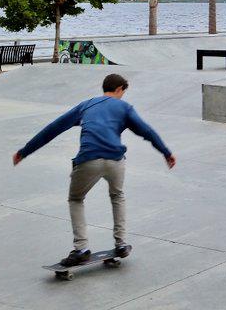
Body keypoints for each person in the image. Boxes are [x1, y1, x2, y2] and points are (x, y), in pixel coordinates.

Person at [12, 74, 175, 267]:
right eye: (123, 92)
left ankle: (81, 248)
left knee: (76, 199)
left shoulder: (86, 105)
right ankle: (121, 243)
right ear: (120, 89)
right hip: (115, 160)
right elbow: (146, 131)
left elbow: (53, 129)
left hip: (89, 159)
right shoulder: (124, 108)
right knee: (117, 195)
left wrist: (25, 151)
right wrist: (165, 152)